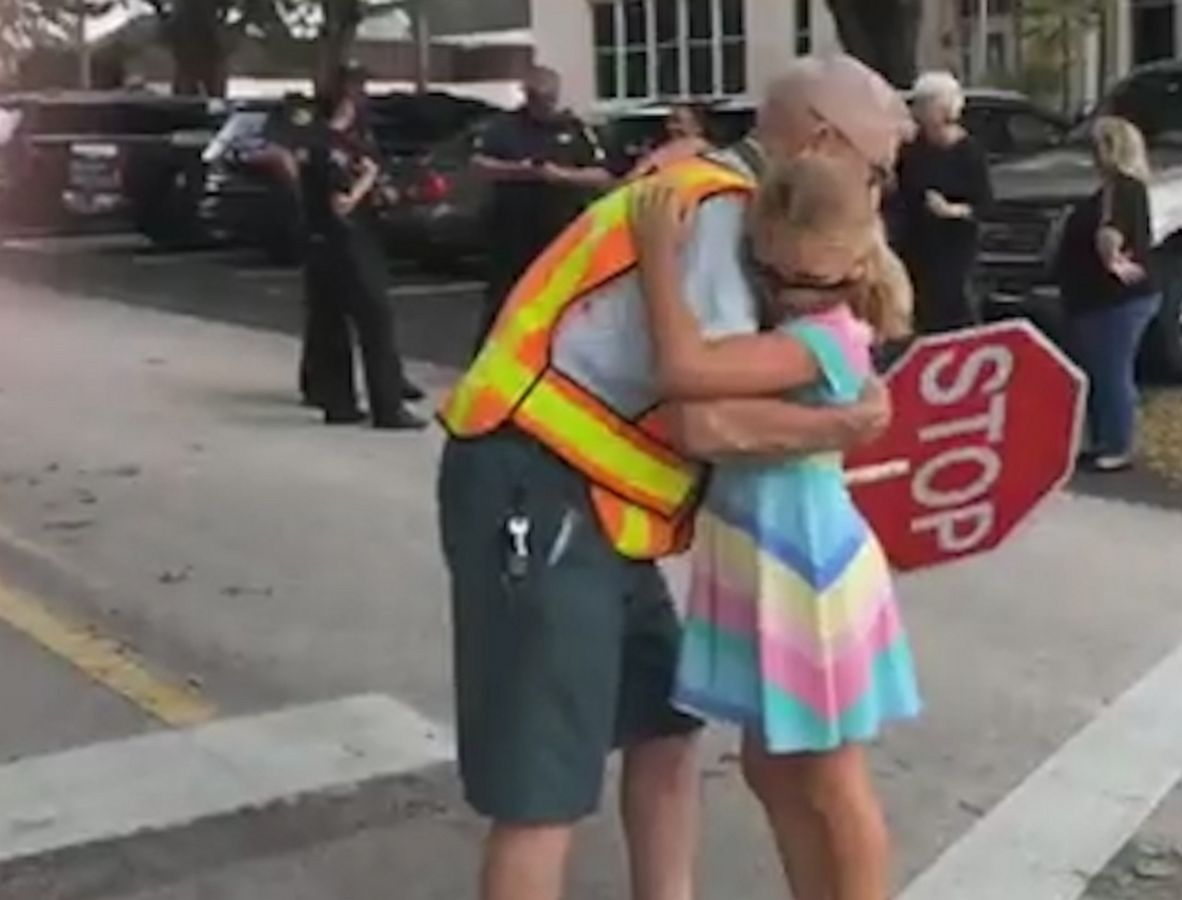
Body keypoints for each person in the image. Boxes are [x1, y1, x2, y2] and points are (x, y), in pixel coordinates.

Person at [435, 54, 910, 900]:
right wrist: (843, 425)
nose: (881, 193)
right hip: (540, 482)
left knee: (663, 727)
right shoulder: (720, 217)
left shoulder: (725, 205)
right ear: (826, 141)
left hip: (598, 503)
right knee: (542, 789)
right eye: (878, 170)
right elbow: (704, 414)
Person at [631, 155, 920, 900]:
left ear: (854, 264)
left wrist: (659, 258)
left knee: (830, 776)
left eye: (811, 281)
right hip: (762, 557)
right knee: (773, 767)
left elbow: (683, 370)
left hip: (805, 567)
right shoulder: (796, 324)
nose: (791, 295)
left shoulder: (827, 337)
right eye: (774, 276)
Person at [296, 74, 425, 430]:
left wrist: (383, 194)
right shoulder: (331, 148)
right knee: (375, 321)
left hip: (322, 243)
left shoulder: (321, 140)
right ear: (346, 103)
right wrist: (367, 179)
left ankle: (339, 403)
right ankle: (388, 407)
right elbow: (341, 202)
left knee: (331, 322)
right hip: (346, 242)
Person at [470, 66, 613, 354]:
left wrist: (562, 176)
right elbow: (479, 165)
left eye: (549, 98)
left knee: (562, 303)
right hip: (512, 233)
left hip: (560, 231)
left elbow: (604, 176)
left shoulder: (574, 128)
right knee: (504, 303)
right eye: (537, 97)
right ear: (527, 95)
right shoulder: (503, 127)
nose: (545, 104)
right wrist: (518, 171)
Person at [1053, 116, 1158, 473]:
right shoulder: (1114, 190)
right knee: (1098, 371)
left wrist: (1111, 256)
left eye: (1096, 146)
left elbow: (1112, 232)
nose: (1092, 155)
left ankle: (1118, 444)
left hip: (1114, 299)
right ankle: (1101, 439)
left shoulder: (1123, 188)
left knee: (1112, 370)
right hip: (1092, 298)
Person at [891, 70, 992, 334]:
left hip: (954, 251)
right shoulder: (912, 149)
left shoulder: (968, 151)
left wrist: (952, 210)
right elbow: (898, 192)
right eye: (919, 105)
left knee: (953, 317)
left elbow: (984, 203)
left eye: (927, 105)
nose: (920, 112)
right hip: (915, 250)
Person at [627, 101, 713, 180]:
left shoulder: (692, 147)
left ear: (698, 126)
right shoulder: (665, 149)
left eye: (677, 121)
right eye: (669, 122)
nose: (671, 127)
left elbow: (636, 175)